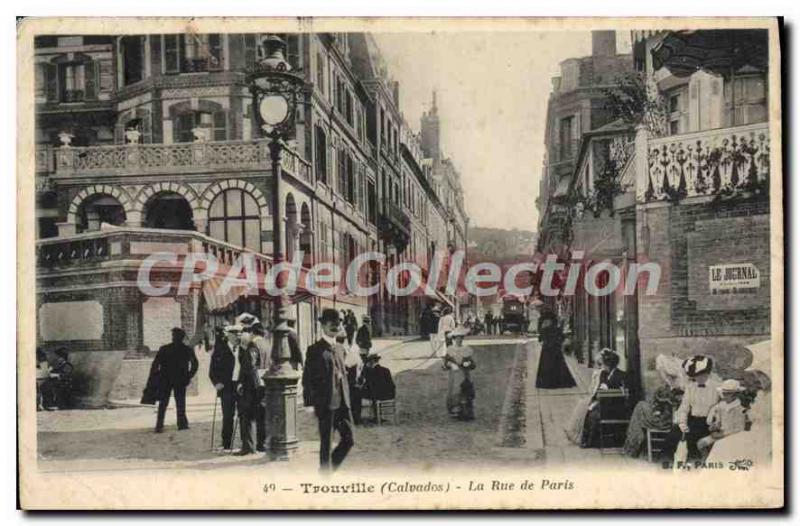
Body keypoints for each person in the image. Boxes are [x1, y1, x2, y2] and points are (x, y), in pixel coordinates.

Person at [302, 308, 355, 471]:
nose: (335, 327)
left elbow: (346, 372)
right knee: (326, 442)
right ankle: (325, 475)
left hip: (343, 402)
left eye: (338, 324)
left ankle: (329, 467)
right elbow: (307, 379)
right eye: (331, 324)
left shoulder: (340, 348)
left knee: (349, 439)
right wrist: (309, 403)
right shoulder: (314, 350)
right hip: (325, 403)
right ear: (323, 326)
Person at [661, 355, 720, 463]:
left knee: (694, 439)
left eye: (701, 375)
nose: (698, 378)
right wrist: (682, 423)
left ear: (707, 373)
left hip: (709, 422)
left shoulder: (717, 387)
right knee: (673, 435)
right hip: (692, 420)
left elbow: (722, 405)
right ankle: (667, 466)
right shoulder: (690, 387)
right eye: (695, 376)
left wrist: (714, 412)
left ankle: (694, 465)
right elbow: (684, 407)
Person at [152, 328, 199, 433]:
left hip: (166, 379)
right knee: (180, 402)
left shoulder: (164, 349)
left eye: (174, 335)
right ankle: (182, 424)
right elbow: (195, 364)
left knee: (163, 403)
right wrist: (189, 376)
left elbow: (155, 364)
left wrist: (157, 376)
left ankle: (159, 426)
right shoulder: (187, 350)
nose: (173, 337)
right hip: (180, 380)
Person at [236, 314, 270, 455]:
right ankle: (262, 444)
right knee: (261, 415)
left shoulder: (252, 344)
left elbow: (250, 365)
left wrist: (241, 383)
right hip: (264, 382)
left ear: (251, 332)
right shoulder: (267, 344)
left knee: (246, 416)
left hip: (251, 384)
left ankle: (248, 447)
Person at [580, 349, 627, 448]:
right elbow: (598, 389)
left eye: (604, 364)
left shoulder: (620, 375)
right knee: (590, 411)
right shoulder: (603, 374)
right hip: (604, 403)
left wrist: (607, 390)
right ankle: (588, 440)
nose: (602, 366)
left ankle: (592, 442)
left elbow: (621, 394)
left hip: (615, 406)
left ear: (608, 364)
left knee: (594, 414)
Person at [697, 379, 750, 457]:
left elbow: (739, 429)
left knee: (719, 447)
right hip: (720, 433)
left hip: (733, 436)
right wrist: (715, 425)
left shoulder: (740, 409)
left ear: (736, 394)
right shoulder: (721, 406)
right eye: (724, 393)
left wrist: (723, 435)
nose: (725, 396)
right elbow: (718, 421)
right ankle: (706, 460)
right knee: (701, 443)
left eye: (728, 394)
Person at [209, 325, 242, 452]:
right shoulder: (220, 350)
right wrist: (217, 383)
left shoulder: (243, 349)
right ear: (229, 335)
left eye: (239, 335)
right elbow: (212, 370)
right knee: (228, 415)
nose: (237, 337)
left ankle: (245, 443)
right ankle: (227, 443)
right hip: (226, 387)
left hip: (240, 386)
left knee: (243, 415)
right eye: (235, 335)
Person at [622, 385, 680, 457]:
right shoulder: (669, 386)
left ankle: (633, 444)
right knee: (639, 411)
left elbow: (673, 400)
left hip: (665, 420)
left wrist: (666, 398)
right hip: (662, 416)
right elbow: (659, 399)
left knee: (639, 407)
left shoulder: (683, 386)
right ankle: (635, 442)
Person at [564, 354, 605, 445]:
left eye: (599, 364)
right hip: (595, 397)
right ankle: (575, 431)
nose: (597, 367)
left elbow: (595, 389)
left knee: (582, 406)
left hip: (598, 398)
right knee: (581, 406)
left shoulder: (601, 373)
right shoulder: (599, 373)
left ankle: (576, 432)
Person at [535, 305, 576, 389]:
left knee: (547, 364)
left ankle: (547, 383)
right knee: (558, 364)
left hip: (547, 347)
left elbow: (541, 335)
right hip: (554, 347)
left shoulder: (543, 322)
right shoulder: (553, 324)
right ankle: (559, 382)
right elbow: (559, 335)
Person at [444, 326, 474, 418]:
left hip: (464, 374)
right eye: (457, 338)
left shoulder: (466, 349)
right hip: (454, 375)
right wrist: (451, 364)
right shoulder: (450, 350)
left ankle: (466, 410)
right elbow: (446, 362)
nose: (459, 340)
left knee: (465, 390)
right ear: (454, 339)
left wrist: (468, 363)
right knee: (455, 391)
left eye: (461, 338)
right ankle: (455, 409)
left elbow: (473, 363)